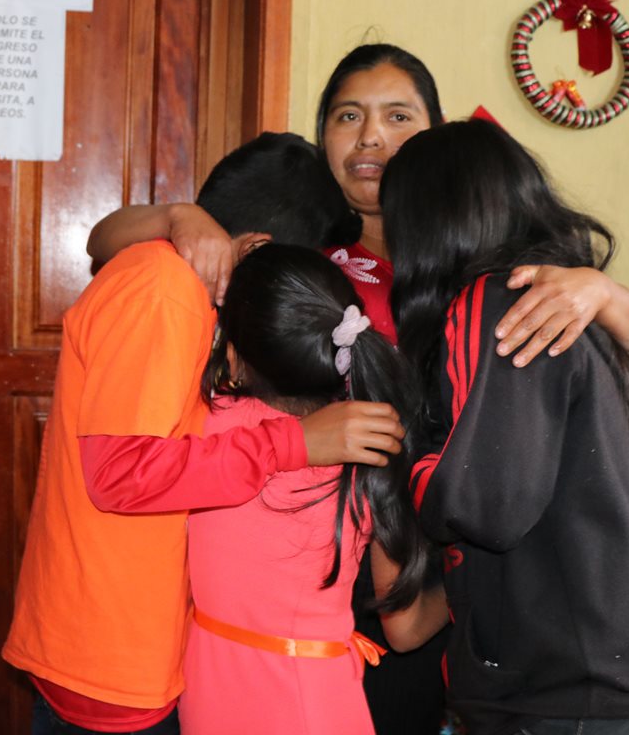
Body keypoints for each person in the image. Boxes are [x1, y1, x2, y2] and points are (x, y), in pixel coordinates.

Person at [84, 43, 629, 735]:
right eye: (348, 116)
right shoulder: (304, 246)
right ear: (323, 136)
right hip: (321, 571)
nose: (371, 136)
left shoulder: (481, 268)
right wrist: (180, 217)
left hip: (455, 551)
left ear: (435, 134)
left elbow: (601, 345)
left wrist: (606, 292)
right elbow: (107, 239)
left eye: (397, 116)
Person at [4, 132, 407, 735]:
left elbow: (100, 239)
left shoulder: (176, 278)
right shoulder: (166, 292)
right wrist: (296, 443)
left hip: (134, 640)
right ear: (257, 248)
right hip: (110, 651)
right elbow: (119, 474)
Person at [382, 119, 629, 735]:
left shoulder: (498, 302)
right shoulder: (558, 296)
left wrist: (392, 457)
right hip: (603, 688)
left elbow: (484, 502)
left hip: (563, 698)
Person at [177, 243, 447, 734]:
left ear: (234, 358)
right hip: (308, 700)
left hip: (205, 687)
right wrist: (459, 588)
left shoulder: (204, 425)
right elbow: (405, 631)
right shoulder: (365, 453)